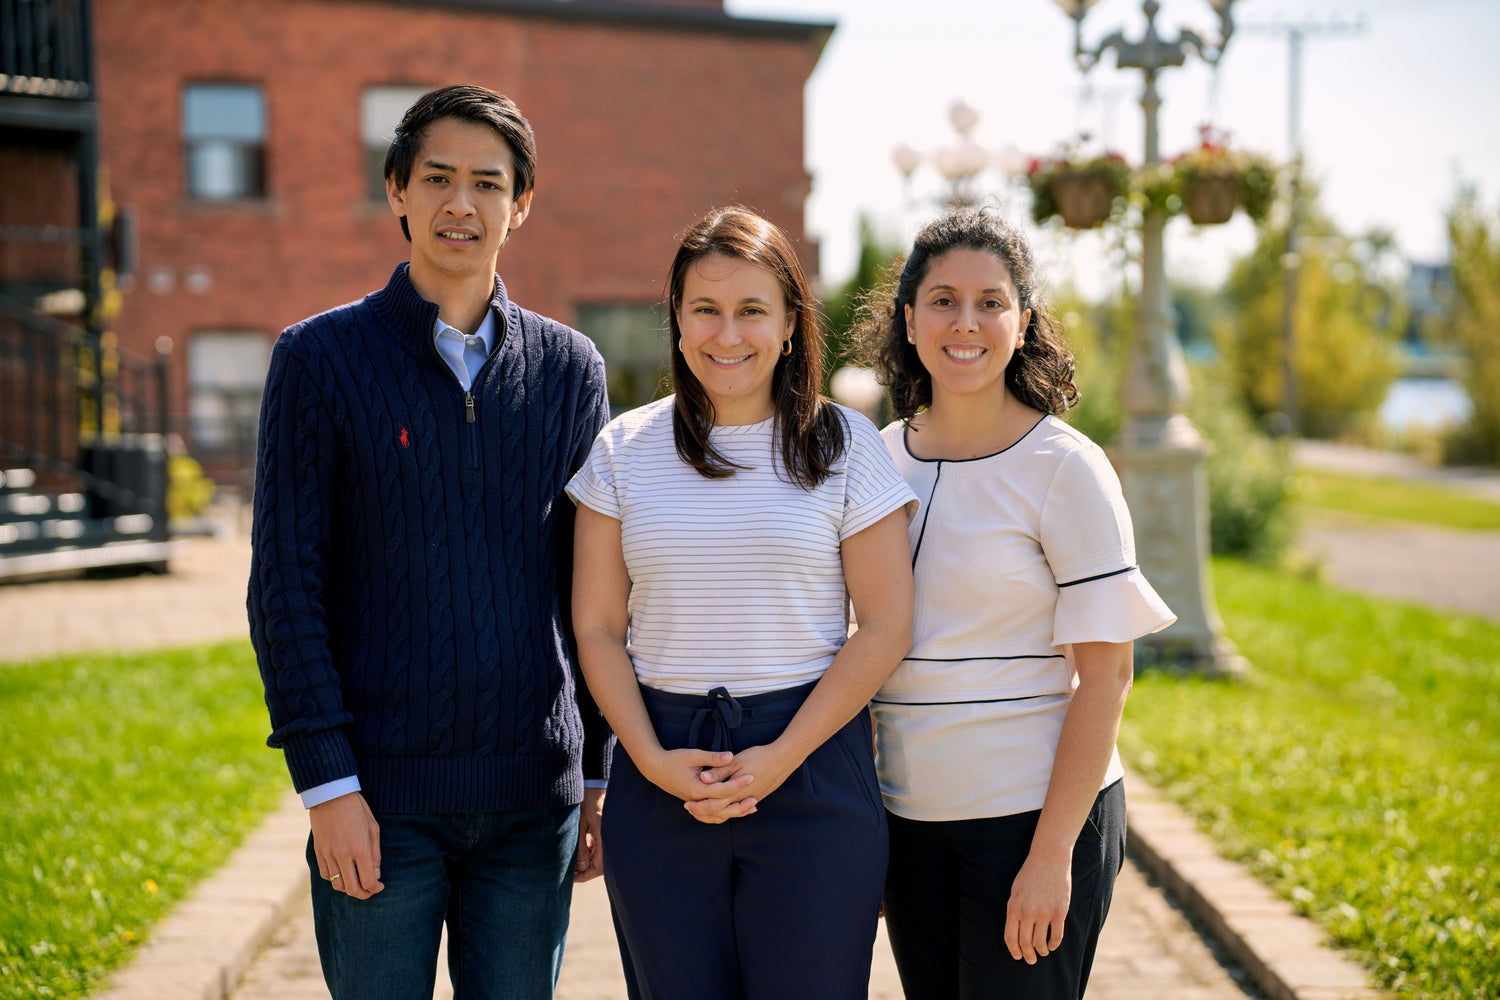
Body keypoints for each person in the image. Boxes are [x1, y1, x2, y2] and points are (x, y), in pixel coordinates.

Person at [247, 84, 612, 1000]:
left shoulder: (571, 370)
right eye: (438, 178)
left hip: (532, 802)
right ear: (397, 190)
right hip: (378, 799)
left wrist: (596, 771)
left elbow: (598, 590)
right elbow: (286, 588)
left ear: (521, 205)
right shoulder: (317, 361)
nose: (462, 203)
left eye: (488, 183)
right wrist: (328, 786)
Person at [566, 206, 917, 999]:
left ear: (790, 324)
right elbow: (596, 627)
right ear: (677, 319)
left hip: (812, 767)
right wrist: (649, 761)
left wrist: (780, 757)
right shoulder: (622, 450)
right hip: (660, 770)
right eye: (706, 309)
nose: (728, 335)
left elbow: (886, 625)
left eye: (752, 310)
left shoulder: (845, 444)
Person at [856, 206, 1176, 1000]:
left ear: (1023, 321)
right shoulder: (876, 459)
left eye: (991, 302)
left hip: (1031, 823)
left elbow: (1106, 677)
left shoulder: (1065, 467)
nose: (966, 322)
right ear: (908, 319)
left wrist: (1052, 855)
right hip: (909, 826)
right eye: (943, 300)